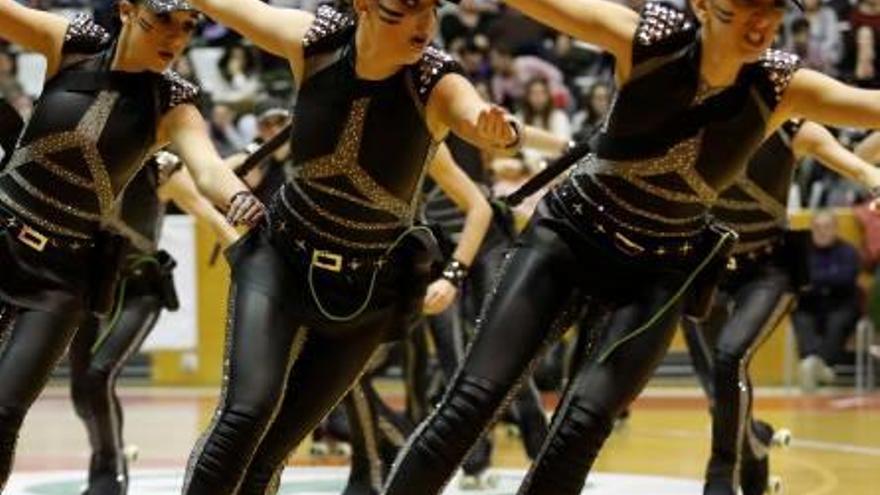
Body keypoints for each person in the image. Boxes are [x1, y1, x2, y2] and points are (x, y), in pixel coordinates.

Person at [383, 0, 880, 494]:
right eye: (745, 7)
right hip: (568, 240)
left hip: (658, 273)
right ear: (703, 6)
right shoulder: (651, 40)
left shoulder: (781, 85)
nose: (761, 22)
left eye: (771, 9)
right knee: (471, 403)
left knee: (581, 429)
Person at [180, 1, 564, 493]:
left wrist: (496, 130)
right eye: (403, 11)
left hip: (367, 289)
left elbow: (473, 115)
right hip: (280, 261)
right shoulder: (315, 42)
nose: (423, 25)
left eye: (429, 10)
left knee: (272, 450)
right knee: (243, 415)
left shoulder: (434, 78)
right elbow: (237, 8)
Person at [0, 0, 261, 488]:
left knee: (5, 408)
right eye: (162, 19)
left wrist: (241, 199)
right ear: (126, 10)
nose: (175, 37)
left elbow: (206, 169)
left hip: (61, 278)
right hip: (4, 233)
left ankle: (108, 470)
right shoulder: (73, 43)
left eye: (187, 27)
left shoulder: (173, 101)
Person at [682, 121, 880, 495]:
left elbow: (854, 160)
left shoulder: (790, 125)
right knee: (718, 391)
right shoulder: (694, 116)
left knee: (729, 358)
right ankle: (755, 446)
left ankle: (721, 474)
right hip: (706, 263)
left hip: (769, 266)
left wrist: (874, 178)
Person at [70, 150, 240, 495]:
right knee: (81, 392)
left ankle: (109, 474)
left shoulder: (161, 169)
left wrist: (245, 256)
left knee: (98, 373)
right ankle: (111, 448)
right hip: (91, 288)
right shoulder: (89, 162)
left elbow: (206, 212)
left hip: (139, 289)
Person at [792, 210, 862, 391]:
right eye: (818, 227)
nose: (822, 231)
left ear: (836, 229)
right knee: (800, 316)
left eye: (827, 227)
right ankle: (814, 363)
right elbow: (797, 282)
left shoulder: (848, 251)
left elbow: (846, 279)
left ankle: (818, 364)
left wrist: (815, 282)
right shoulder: (802, 252)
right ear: (812, 229)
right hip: (809, 306)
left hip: (841, 305)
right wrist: (828, 279)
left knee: (838, 321)